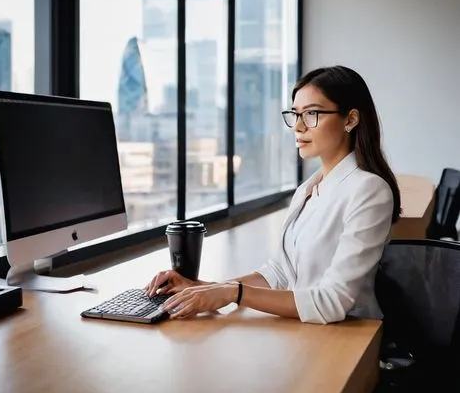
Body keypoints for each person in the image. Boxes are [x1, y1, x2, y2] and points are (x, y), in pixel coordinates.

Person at [145, 65, 401, 324]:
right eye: (296, 114)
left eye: (312, 114)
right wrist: (203, 287)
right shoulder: (309, 189)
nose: (298, 127)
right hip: (308, 333)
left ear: (350, 119)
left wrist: (233, 292)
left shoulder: (369, 191)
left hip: (350, 338)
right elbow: (279, 273)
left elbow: (331, 302)